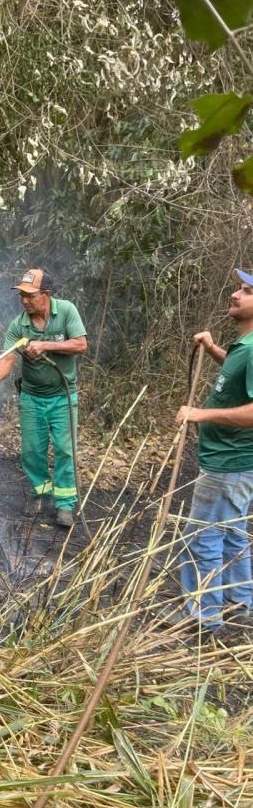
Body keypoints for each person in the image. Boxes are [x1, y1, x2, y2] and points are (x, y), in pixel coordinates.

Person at [174, 269, 253, 630]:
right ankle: (240, 605)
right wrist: (213, 349)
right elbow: (240, 380)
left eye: (246, 292)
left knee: (203, 537)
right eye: (239, 288)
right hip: (233, 464)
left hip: (228, 465)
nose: (235, 295)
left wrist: (200, 414)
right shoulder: (244, 347)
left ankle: (203, 618)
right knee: (232, 535)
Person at [0, 268, 88, 527]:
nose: (25, 301)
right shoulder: (19, 325)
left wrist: (45, 345)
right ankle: (41, 492)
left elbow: (81, 344)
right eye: (22, 296)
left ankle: (64, 504)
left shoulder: (65, 311)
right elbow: (7, 358)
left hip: (63, 396)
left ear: (47, 294)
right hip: (32, 398)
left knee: (65, 450)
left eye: (30, 295)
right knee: (31, 451)